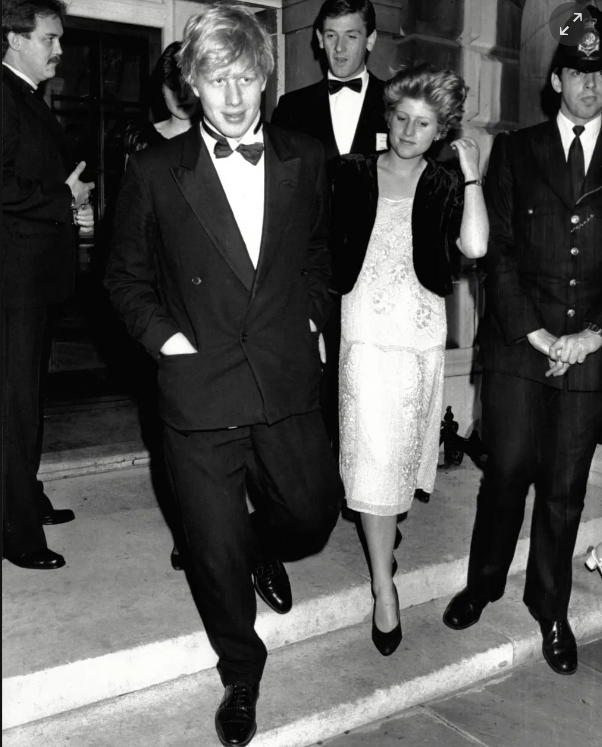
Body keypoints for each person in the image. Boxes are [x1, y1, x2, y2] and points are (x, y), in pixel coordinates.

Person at [104, 5, 343, 745]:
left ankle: (258, 542)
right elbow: (123, 278)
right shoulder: (155, 170)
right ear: (192, 85)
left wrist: (312, 318)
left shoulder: (306, 158)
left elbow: (319, 256)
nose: (233, 97)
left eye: (245, 78)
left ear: (265, 77)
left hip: (281, 376)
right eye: (216, 80)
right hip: (200, 386)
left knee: (312, 514)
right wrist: (167, 341)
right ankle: (241, 672)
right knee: (212, 549)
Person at [443, 6, 602, 678]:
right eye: (581, 72)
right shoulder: (515, 150)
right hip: (518, 344)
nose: (593, 84)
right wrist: (539, 334)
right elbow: (497, 255)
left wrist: (590, 337)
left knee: (565, 487)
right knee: (506, 470)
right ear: (557, 79)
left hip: (590, 351)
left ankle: (551, 607)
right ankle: (483, 584)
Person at [331, 64, 488, 656]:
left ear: (440, 130)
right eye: (401, 118)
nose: (407, 131)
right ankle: (383, 586)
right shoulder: (351, 172)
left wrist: (471, 174)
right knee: (371, 459)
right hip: (364, 332)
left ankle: (382, 541)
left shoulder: (445, 183)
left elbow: (475, 246)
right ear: (389, 115)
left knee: (396, 457)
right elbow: (322, 249)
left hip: (419, 333)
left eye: (423, 124)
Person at [271, 0, 388, 455]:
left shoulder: (398, 105)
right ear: (318, 38)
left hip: (378, 279)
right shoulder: (291, 108)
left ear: (370, 39)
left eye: (352, 36)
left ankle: (367, 492)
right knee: (313, 397)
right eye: (331, 35)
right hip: (312, 279)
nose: (340, 48)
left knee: (371, 401)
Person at [2, 0, 94, 570]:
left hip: (33, 280)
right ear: (14, 39)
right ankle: (16, 534)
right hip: (13, 283)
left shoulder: (27, 97)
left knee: (28, 401)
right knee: (13, 408)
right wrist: (64, 198)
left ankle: (25, 498)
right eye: (49, 39)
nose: (59, 50)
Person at [123, 40, 202, 573]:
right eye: (169, 84)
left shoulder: (225, 141)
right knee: (169, 430)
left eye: (184, 83)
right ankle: (187, 529)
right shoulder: (141, 143)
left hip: (214, 304)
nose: (177, 95)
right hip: (160, 304)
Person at [123, 40, 201, 163]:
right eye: (173, 87)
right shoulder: (141, 139)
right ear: (161, 88)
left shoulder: (217, 140)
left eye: (188, 87)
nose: (182, 96)